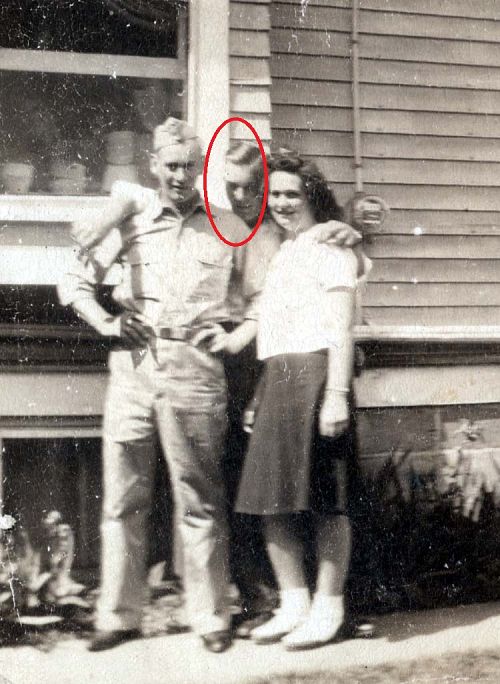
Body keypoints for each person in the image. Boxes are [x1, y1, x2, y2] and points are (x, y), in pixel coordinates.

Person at [59, 118, 262, 654]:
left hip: (195, 368)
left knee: (200, 498)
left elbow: (261, 297)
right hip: (133, 367)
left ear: (201, 168)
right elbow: (73, 280)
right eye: (170, 165)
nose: (179, 175)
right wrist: (107, 324)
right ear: (154, 164)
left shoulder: (227, 226)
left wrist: (235, 337)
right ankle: (118, 615)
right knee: (123, 496)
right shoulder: (131, 220)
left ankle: (210, 616)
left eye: (189, 165)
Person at [222, 142, 363, 637]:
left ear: (312, 196)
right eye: (275, 195)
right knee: (272, 500)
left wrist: (337, 394)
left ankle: (328, 607)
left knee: (326, 501)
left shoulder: (331, 247)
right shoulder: (283, 252)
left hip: (318, 377)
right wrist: (261, 392)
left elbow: (341, 328)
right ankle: (293, 604)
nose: (282, 203)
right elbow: (274, 331)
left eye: (292, 194)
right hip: (279, 379)